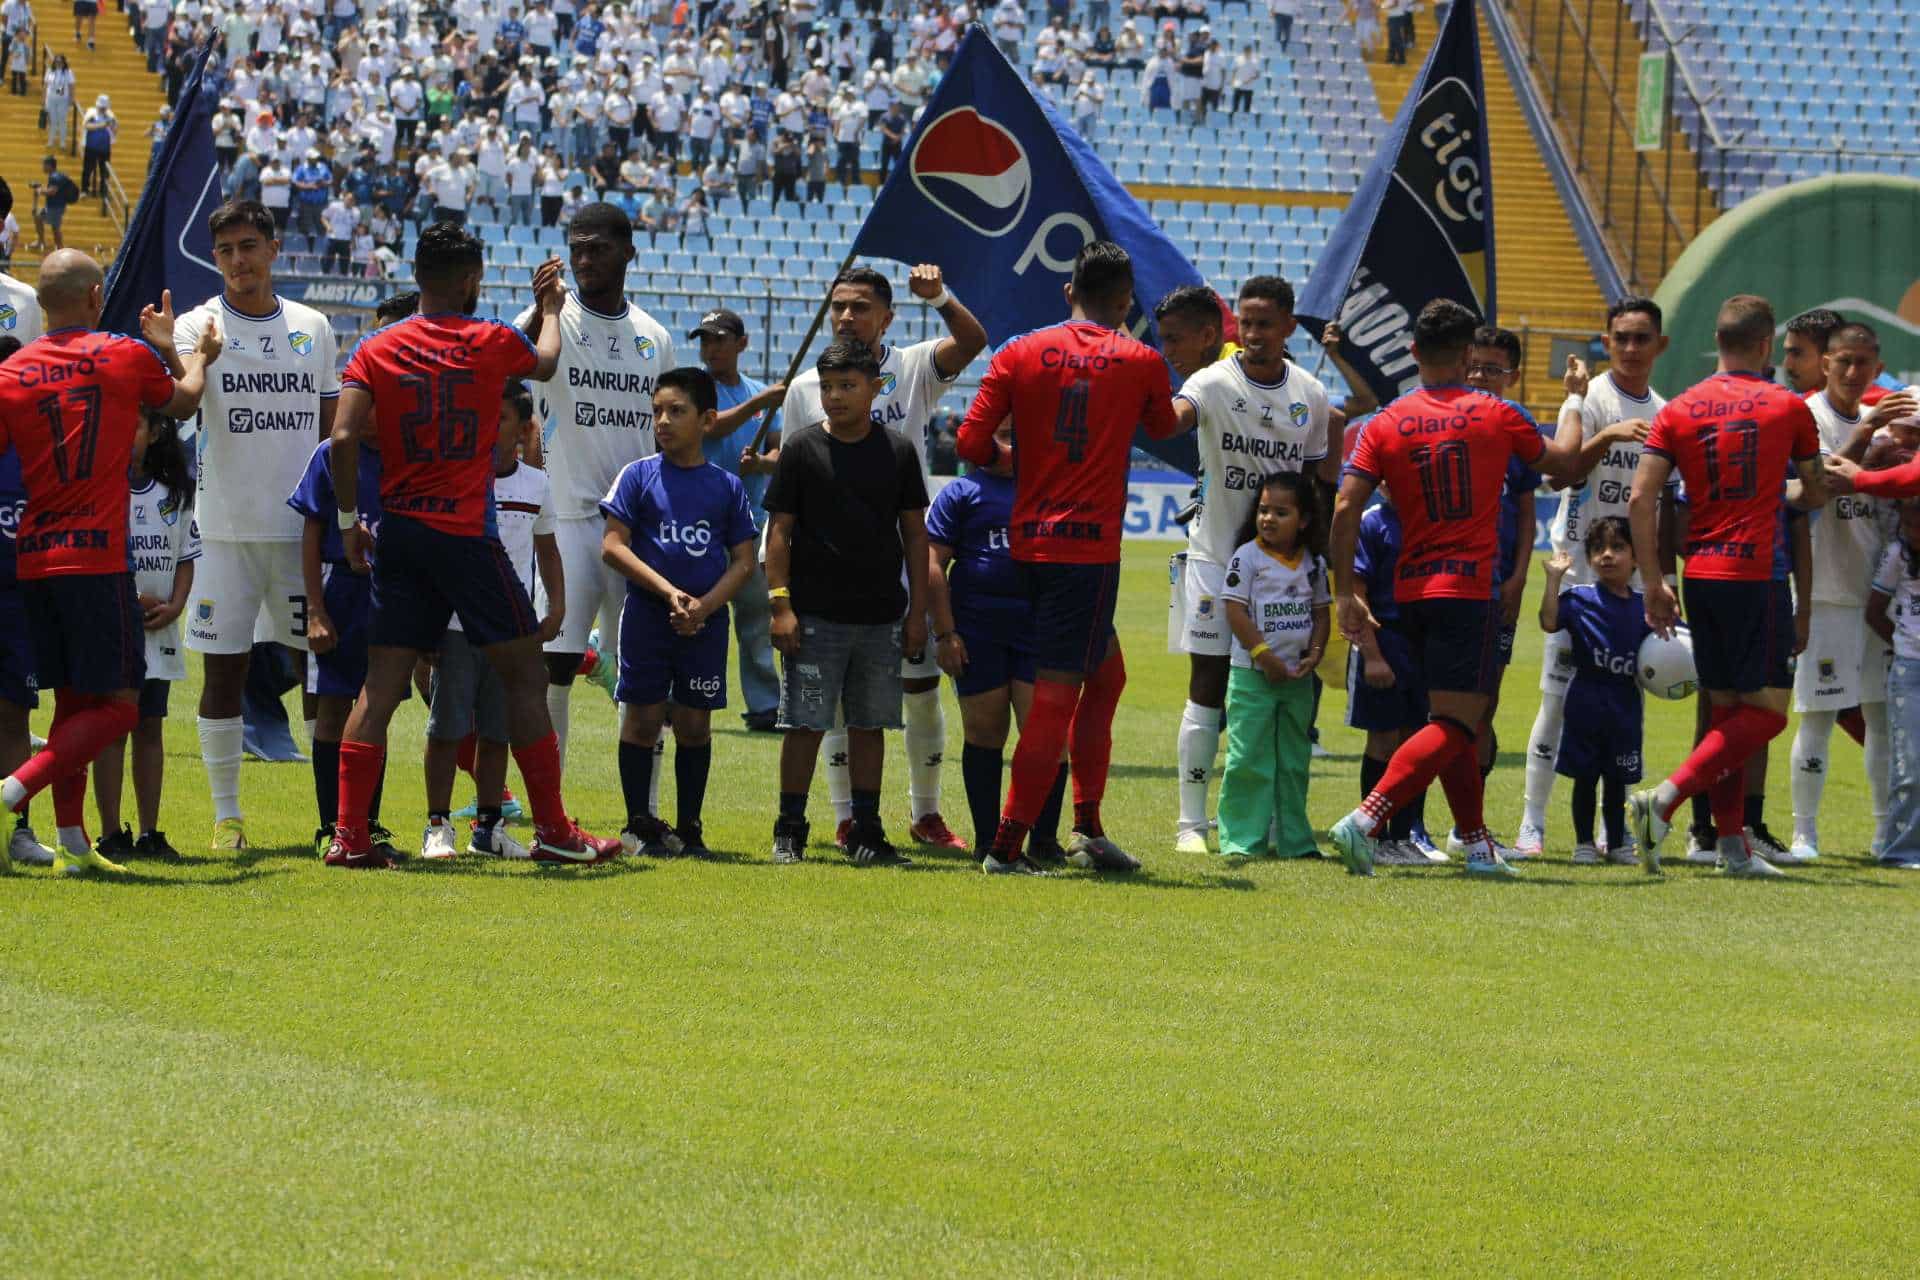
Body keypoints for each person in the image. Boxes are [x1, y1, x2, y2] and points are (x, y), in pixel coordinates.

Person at [322, 223, 618, 868]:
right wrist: (550, 309)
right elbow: (545, 361)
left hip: (401, 532)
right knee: (525, 676)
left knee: (380, 687)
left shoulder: (376, 345)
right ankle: (553, 831)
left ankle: (348, 837)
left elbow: (342, 438)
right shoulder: (488, 338)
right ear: (470, 280)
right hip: (465, 534)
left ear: (417, 277)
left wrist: (348, 521)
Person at [1327, 299, 1582, 878]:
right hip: (1468, 591)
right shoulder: (1497, 412)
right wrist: (1573, 401)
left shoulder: (1385, 421)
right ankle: (1366, 819)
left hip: (1408, 594)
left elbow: (1345, 508)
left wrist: (1344, 592)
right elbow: (1566, 464)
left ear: (1413, 351)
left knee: (1450, 719)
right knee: (1459, 723)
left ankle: (1477, 846)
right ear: (1468, 355)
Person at [956, 241, 1179, 875]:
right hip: (1087, 553)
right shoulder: (1140, 359)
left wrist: (1013, 460)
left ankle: (1087, 827)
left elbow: (970, 441)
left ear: (1068, 291)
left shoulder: (1018, 351)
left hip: (1028, 542)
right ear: (1126, 302)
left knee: (1107, 677)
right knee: (1057, 697)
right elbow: (1164, 428)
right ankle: (1007, 846)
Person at [0, 250, 218, 875]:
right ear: (96, 296)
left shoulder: (12, 371)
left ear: (42, 302)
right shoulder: (123, 354)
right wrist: (192, 354)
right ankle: (12, 791)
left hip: (34, 560)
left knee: (74, 702)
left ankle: (73, 844)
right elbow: (184, 402)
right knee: (122, 706)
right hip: (96, 559)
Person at [778, 263, 987, 851]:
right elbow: (793, 484)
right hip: (828, 570)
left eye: (861, 307)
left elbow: (973, 340)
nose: (847, 316)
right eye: (839, 306)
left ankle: (926, 813)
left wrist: (939, 297)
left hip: (900, 561)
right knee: (833, 707)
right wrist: (782, 594)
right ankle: (847, 817)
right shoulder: (805, 389)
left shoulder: (913, 366)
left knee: (920, 691)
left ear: (887, 318)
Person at [1627, 294, 1826, 876]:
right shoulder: (1788, 406)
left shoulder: (1679, 408)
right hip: (1758, 575)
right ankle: (1663, 801)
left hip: (1701, 576)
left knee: (1726, 715)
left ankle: (1733, 848)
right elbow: (1812, 490)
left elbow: (1641, 499)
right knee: (1768, 715)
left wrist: (1653, 581)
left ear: (1717, 341)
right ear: (1766, 345)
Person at [176, 200, 339, 853]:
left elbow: (328, 431)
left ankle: (335, 820)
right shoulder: (196, 325)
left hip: (300, 534)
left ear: (273, 248)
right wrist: (188, 354)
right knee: (224, 673)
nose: (238, 260)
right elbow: (181, 403)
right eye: (225, 250)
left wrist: (339, 517)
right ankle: (227, 819)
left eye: (248, 246)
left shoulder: (313, 326)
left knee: (320, 674)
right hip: (222, 533)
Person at [511, 204, 679, 781]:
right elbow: (508, 364)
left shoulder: (654, 337)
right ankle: (550, 808)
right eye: (576, 248)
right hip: (567, 520)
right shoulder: (549, 318)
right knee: (553, 667)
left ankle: (644, 812)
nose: (584, 259)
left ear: (628, 252)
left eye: (598, 248)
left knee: (643, 676)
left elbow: (666, 429)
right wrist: (541, 309)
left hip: (635, 527)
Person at [1168, 276, 1332, 855]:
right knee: (1208, 685)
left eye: (1265, 324)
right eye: (1246, 323)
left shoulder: (1310, 393)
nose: (1254, 334)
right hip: (1215, 560)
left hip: (1284, 571)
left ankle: (1274, 822)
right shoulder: (1212, 381)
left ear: (1288, 326)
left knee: (1280, 694)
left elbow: (1312, 486)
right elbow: (1176, 417)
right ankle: (1192, 824)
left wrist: (1316, 565)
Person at [764, 341, 929, 867]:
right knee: (805, 723)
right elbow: (779, 532)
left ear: (875, 388)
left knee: (870, 724)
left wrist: (917, 611)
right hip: (814, 616)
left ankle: (867, 831)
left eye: (847, 386)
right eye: (828, 386)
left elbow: (915, 536)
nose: (834, 396)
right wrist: (781, 605)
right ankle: (790, 829)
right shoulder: (802, 449)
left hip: (881, 617)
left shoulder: (898, 451)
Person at [1515, 298, 1667, 855]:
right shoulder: (1589, 400)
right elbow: (1560, 476)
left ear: (1660, 345)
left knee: (1625, 702)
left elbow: (1665, 508)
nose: (1630, 348)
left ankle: (1611, 829)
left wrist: (1661, 580)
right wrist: (1606, 434)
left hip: (1633, 587)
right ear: (1606, 342)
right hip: (1579, 577)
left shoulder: (1665, 412)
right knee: (1558, 700)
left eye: (1642, 338)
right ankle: (1532, 822)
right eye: (1621, 337)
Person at [601, 367, 758, 860]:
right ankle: (639, 825)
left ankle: (690, 829)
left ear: (707, 419)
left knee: (694, 725)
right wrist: (670, 593)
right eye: (657, 412)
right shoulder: (638, 475)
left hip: (705, 623)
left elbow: (745, 559)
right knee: (642, 721)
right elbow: (612, 546)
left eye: (676, 411)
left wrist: (705, 606)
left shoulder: (726, 486)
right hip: (648, 617)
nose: (663, 421)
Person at [1787, 323, 1915, 861]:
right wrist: (1866, 435)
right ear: (1825, 364)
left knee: (1882, 718)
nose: (1853, 371)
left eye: (1864, 362)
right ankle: (1805, 833)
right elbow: (1816, 486)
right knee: (1819, 713)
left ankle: (1886, 833)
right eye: (1843, 360)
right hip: (1826, 589)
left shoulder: (1886, 421)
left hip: (1877, 594)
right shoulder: (1807, 416)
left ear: (1877, 365)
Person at [421, 379, 562, 862]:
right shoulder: (457, 479)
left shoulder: (537, 485)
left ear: (523, 430)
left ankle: (489, 828)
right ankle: (437, 826)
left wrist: (556, 607)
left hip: (510, 634)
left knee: (497, 732)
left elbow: (547, 550)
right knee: (447, 728)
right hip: (456, 627)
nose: (486, 427)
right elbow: (437, 555)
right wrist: (430, 621)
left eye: (498, 419)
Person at [926, 419, 1070, 863]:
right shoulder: (960, 493)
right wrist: (945, 633)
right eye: (1003, 435)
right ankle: (988, 841)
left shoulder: (1052, 490)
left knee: (1045, 735)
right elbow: (932, 565)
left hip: (1039, 631)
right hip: (977, 631)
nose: (1010, 445)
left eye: (1018, 435)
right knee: (985, 733)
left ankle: (1043, 840)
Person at [286, 369, 400, 864]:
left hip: (390, 593)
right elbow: (311, 534)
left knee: (376, 709)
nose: (368, 414)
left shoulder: (406, 457)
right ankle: (329, 824)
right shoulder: (330, 454)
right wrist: (315, 610)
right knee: (333, 708)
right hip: (339, 590)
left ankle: (367, 822)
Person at [91, 413, 199, 863]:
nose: (125, 433)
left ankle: (150, 832)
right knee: (112, 728)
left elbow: (187, 556)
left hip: (160, 630)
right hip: (118, 624)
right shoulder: (102, 491)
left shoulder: (174, 492)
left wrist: (176, 605)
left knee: (150, 727)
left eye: (134, 425)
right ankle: (110, 833)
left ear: (154, 433)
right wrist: (129, 600)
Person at [1216, 472, 1330, 860]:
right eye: (1264, 510)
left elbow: (1321, 613)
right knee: (1248, 758)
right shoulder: (1246, 557)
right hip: (1253, 676)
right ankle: (1242, 840)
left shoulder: (1313, 562)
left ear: (1304, 520)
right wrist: (1265, 657)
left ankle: (1295, 841)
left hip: (1297, 679)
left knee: (1294, 761)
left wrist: (1315, 654)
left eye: (1281, 512)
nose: (1268, 519)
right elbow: (1235, 610)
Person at [691, 307, 787, 731]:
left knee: (756, 618)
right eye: (705, 340)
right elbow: (711, 427)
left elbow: (779, 450)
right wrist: (760, 403)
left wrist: (761, 464)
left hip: (750, 521)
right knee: (697, 612)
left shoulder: (759, 394)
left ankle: (765, 705)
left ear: (741, 344)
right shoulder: (694, 388)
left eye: (719, 339)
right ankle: (686, 694)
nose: (711, 348)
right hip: (700, 520)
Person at [1538, 519, 1651, 865]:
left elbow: (1672, 646)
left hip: (1625, 703)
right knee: (1585, 778)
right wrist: (1554, 580)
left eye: (1617, 547)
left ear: (1636, 557)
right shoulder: (1580, 599)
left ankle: (1616, 843)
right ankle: (1584, 843)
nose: (1607, 555)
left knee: (1617, 780)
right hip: (1586, 699)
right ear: (1588, 559)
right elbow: (1548, 621)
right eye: (1598, 549)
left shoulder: (1646, 606)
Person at [1343, 482, 1443, 867]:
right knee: (1383, 742)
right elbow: (1356, 593)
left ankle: (1404, 836)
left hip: (1423, 648)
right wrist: (1372, 655)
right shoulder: (1371, 523)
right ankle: (1374, 836)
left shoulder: (1433, 523)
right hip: (1384, 641)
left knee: (1417, 744)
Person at [1867, 499, 1920, 869]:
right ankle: (1899, 849)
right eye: (1909, 523)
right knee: (1910, 765)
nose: (1913, 532)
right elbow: (1874, 611)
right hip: (1909, 671)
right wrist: (1903, 643)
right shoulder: (1897, 555)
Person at [37, 156, 79, 252]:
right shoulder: (57, 175)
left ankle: (50, 244)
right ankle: (57, 246)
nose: (43, 167)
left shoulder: (55, 177)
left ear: (50, 165)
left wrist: (40, 190)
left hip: (55, 207)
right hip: (57, 206)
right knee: (54, 226)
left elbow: (52, 191)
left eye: (44, 165)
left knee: (43, 220)